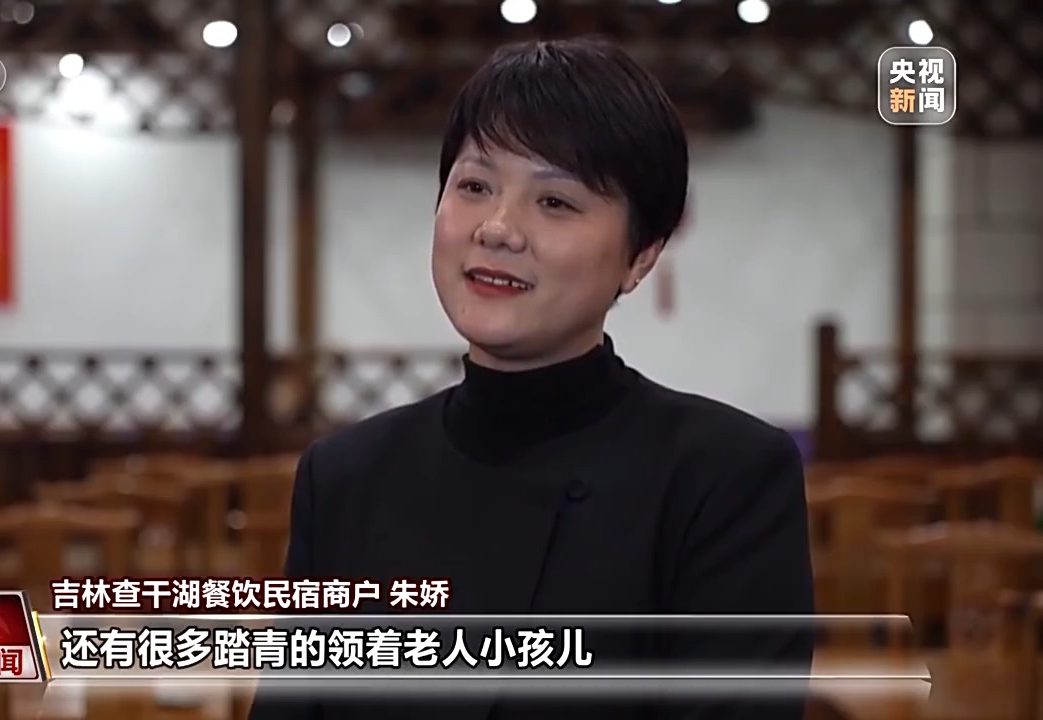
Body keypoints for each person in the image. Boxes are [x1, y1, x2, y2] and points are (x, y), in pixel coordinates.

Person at [249, 35, 814, 720]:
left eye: (555, 202)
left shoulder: (725, 479)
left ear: (641, 256)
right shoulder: (343, 478)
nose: (498, 229)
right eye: (474, 186)